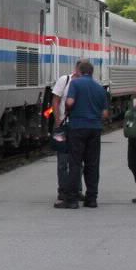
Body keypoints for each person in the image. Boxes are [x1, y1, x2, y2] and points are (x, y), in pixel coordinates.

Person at [55, 59, 109, 209]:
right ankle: (91, 199)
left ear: (79, 71)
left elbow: (70, 102)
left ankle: (71, 200)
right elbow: (105, 113)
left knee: (75, 163)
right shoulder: (100, 88)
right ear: (92, 72)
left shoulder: (75, 83)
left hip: (77, 127)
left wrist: (69, 110)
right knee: (92, 164)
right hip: (95, 128)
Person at [51, 63, 83, 203]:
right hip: (63, 126)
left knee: (77, 161)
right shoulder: (64, 80)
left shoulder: (85, 83)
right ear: (76, 70)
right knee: (62, 160)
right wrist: (57, 120)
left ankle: (77, 190)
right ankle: (63, 190)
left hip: (78, 127)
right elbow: (55, 100)